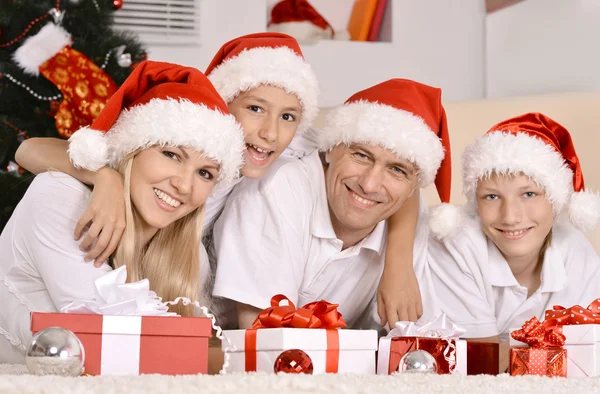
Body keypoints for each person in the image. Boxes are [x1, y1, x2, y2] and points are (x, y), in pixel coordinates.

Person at [16, 33, 426, 327]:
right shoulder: (170, 131)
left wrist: (398, 263)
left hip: (175, 266)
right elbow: (28, 149)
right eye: (254, 109)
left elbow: (386, 164)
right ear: (221, 105)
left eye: (287, 117)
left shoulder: (289, 147)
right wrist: (103, 176)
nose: (270, 133)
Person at [0, 61, 246, 363]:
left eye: (205, 173)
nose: (184, 185)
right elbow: (113, 334)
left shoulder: (189, 256)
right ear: (131, 150)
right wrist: (106, 175)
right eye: (171, 155)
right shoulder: (60, 198)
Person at [212, 78, 452, 329]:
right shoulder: (276, 190)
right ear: (328, 149)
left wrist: (399, 264)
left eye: (397, 170)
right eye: (360, 155)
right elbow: (266, 342)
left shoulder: (409, 220)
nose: (369, 184)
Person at [427, 112, 600, 372]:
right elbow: (477, 361)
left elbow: (588, 353)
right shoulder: (456, 242)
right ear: (475, 203)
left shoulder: (575, 248)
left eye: (529, 193)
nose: (510, 217)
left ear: (555, 200)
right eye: (492, 197)